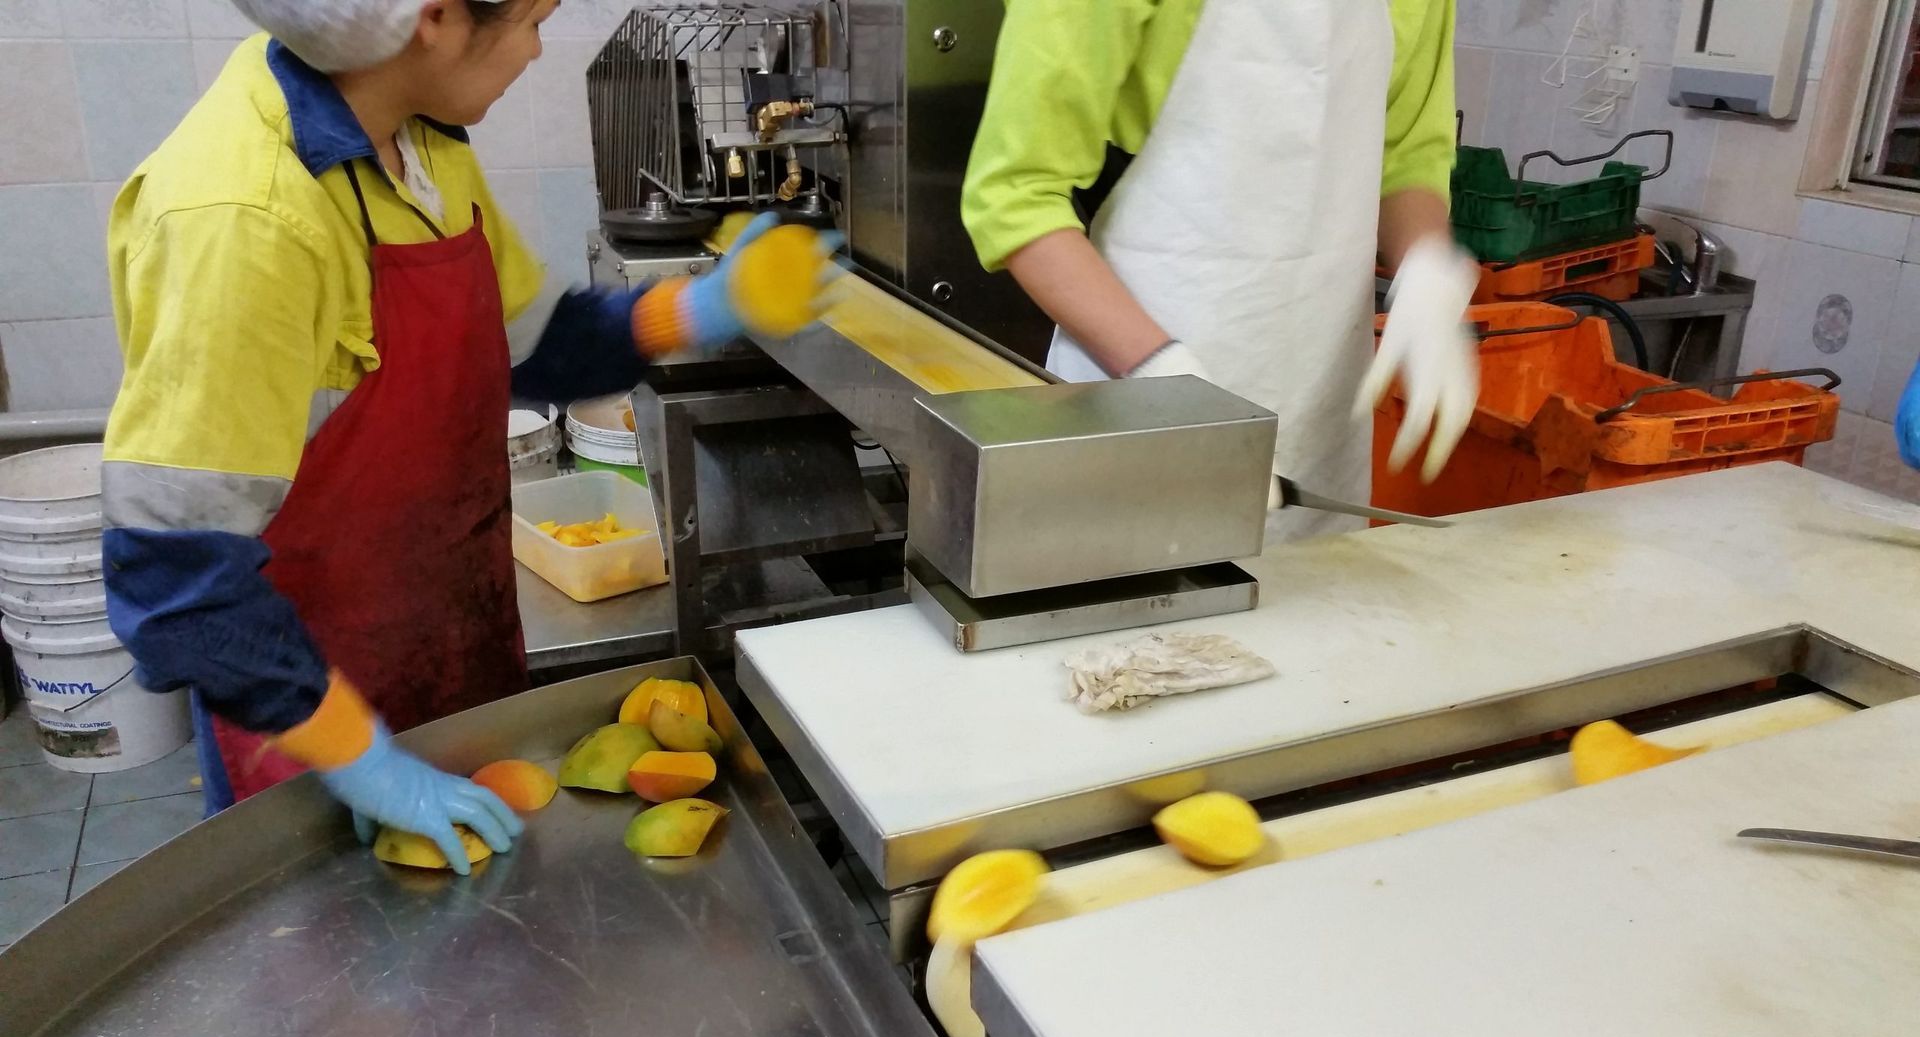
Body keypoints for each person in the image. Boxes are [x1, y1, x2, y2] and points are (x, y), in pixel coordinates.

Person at [101, 0, 834, 872]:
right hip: (301, 706)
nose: (536, 46)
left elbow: (524, 345)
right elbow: (176, 576)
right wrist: (362, 758)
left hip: (451, 649)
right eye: (533, 17)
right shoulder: (244, 219)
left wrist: (699, 308)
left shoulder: (419, 135)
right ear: (437, 19)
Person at [962, 0, 1477, 540]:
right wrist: (1166, 378)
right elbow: (1014, 197)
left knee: (1313, 613)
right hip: (1140, 399)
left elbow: (1410, 156)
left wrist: (1426, 276)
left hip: (1321, 415)